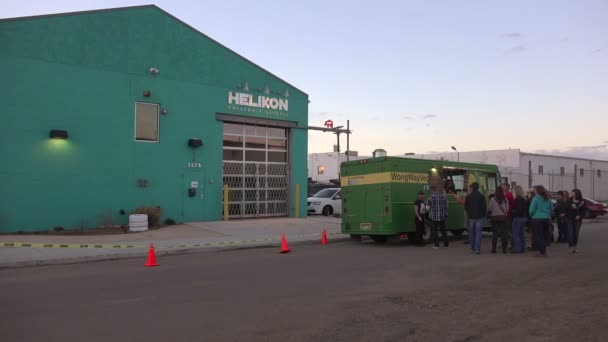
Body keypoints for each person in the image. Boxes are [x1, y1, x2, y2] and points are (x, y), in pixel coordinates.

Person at [529, 185, 552, 257]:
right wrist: (548, 214)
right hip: (546, 218)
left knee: (538, 236)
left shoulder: (535, 199)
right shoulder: (548, 199)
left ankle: (542, 252)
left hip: (537, 219)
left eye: (535, 190)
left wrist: (532, 215)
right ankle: (544, 250)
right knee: (545, 235)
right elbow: (551, 209)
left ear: (537, 191)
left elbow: (531, 210)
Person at [464, 182, 486, 254]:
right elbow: (484, 207)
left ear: (472, 188)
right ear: (478, 188)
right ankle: (477, 249)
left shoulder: (468, 196)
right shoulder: (481, 196)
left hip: (471, 217)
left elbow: (466, 207)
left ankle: (472, 248)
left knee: (471, 233)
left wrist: (469, 213)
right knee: (478, 233)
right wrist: (483, 215)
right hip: (479, 217)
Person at [488, 187, 510, 253]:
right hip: (503, 218)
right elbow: (507, 209)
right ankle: (504, 249)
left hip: (494, 218)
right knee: (504, 234)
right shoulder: (505, 199)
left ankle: (493, 249)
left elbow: (490, 209)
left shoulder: (492, 199)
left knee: (495, 234)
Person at [566, 189, 586, 254]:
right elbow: (566, 209)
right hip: (570, 219)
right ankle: (571, 247)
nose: (571, 193)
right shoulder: (569, 200)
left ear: (576, 193)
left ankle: (575, 247)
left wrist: (580, 216)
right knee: (570, 232)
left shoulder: (582, 201)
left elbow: (584, 210)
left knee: (576, 233)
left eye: (572, 192)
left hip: (578, 220)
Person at [511, 185, 528, 253]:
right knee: (521, 234)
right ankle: (522, 247)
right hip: (524, 218)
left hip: (518, 218)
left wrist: (513, 211)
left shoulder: (517, 199)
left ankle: (517, 249)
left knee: (516, 234)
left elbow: (518, 209)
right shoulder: (524, 199)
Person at [502, 183, 515, 250]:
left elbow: (505, 203)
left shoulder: (508, 194)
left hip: (508, 214)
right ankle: (507, 243)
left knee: (508, 230)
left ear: (507, 187)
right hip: (507, 214)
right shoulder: (506, 194)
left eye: (503, 186)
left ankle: (511, 244)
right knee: (506, 229)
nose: (502, 187)